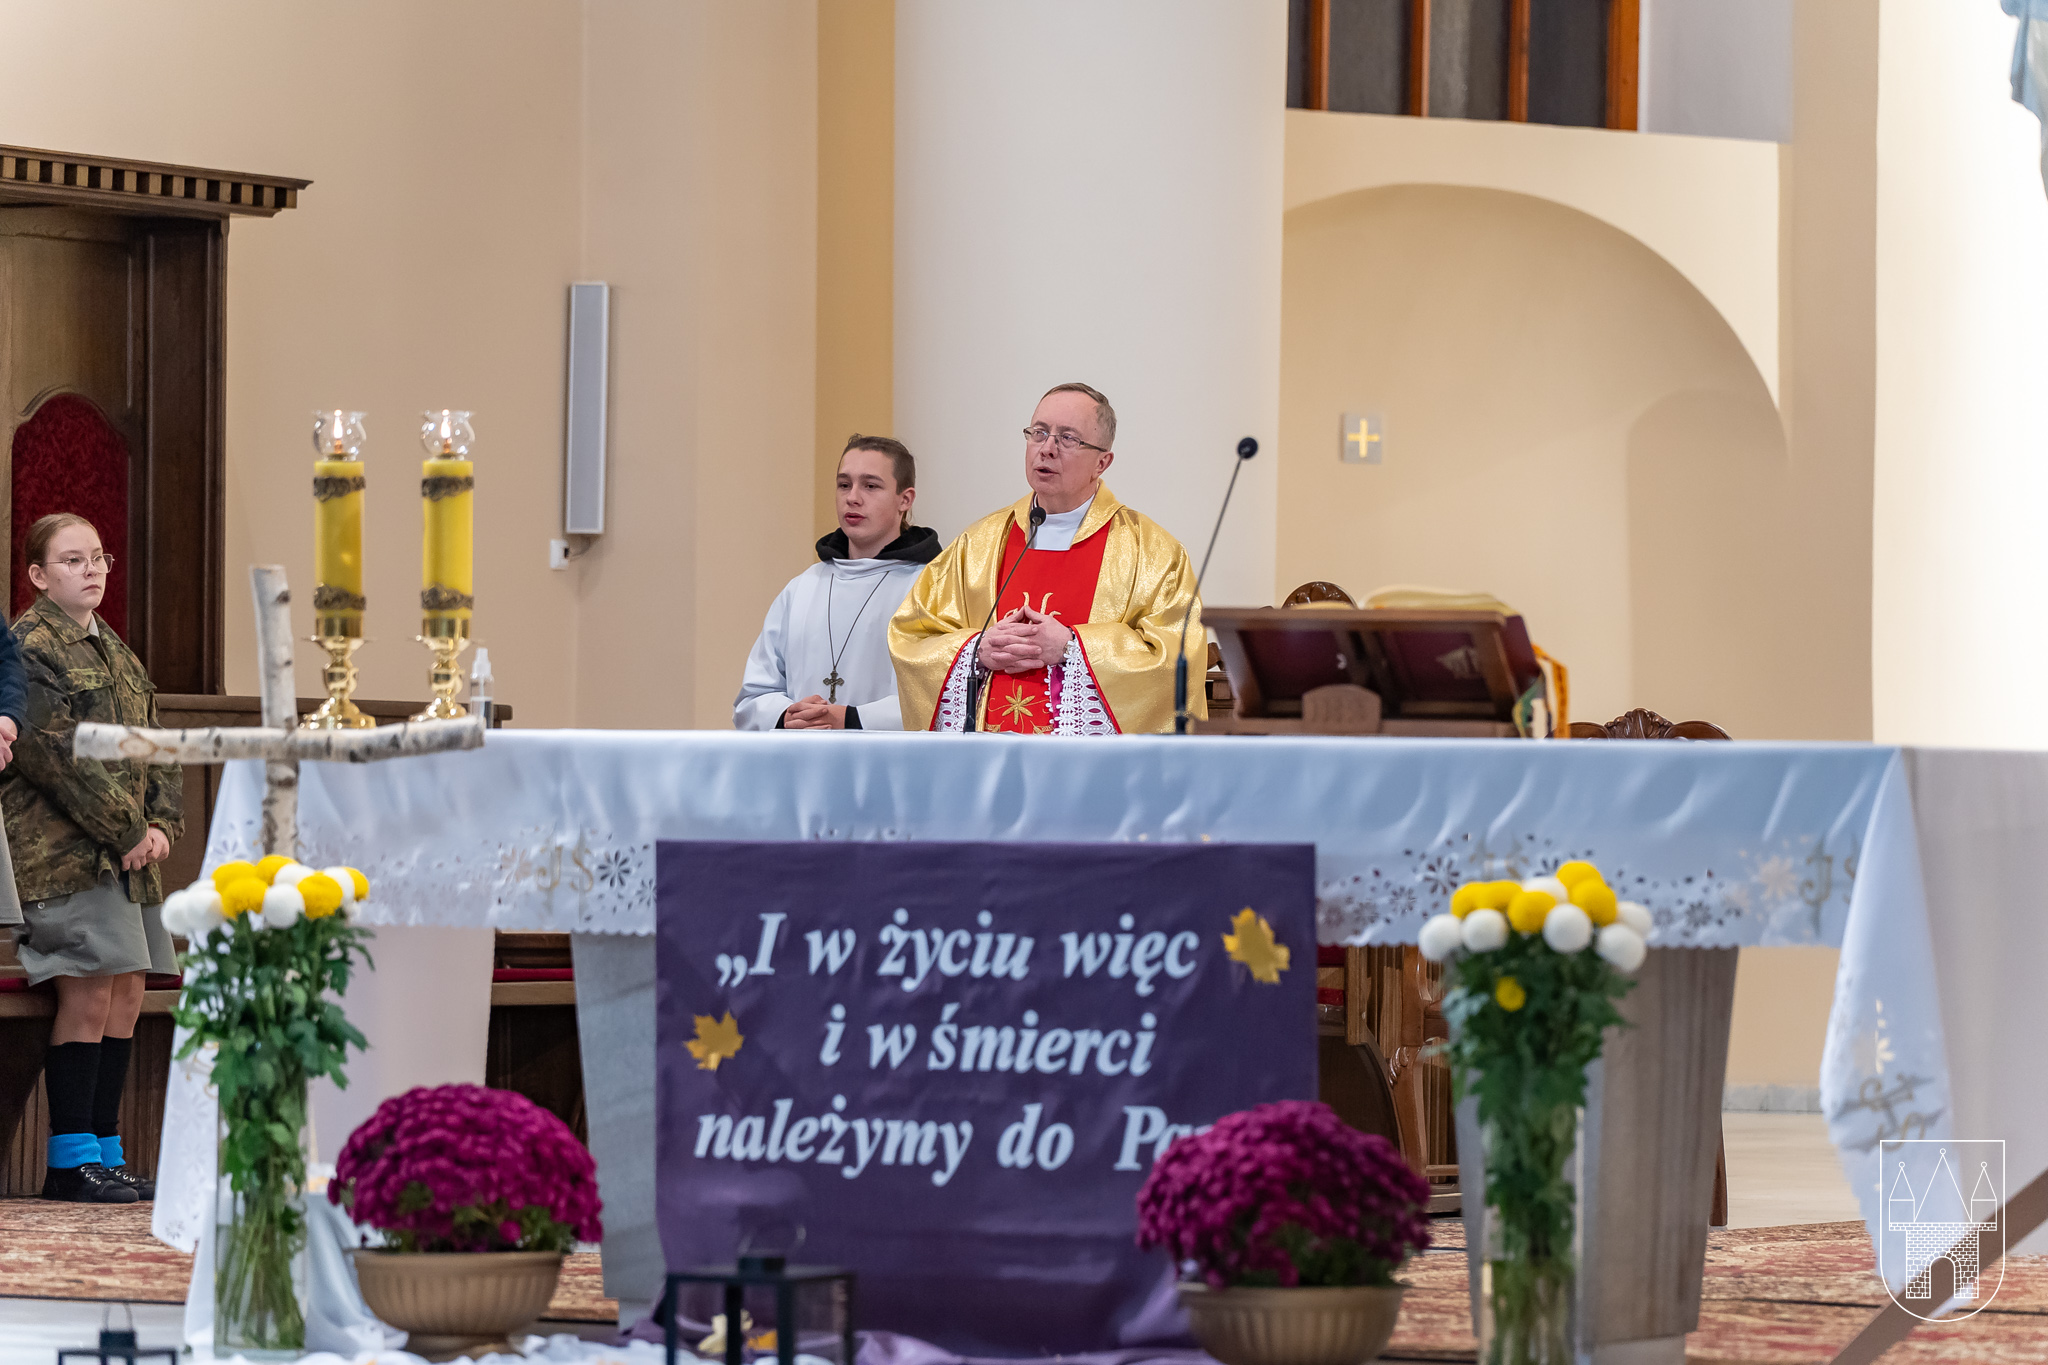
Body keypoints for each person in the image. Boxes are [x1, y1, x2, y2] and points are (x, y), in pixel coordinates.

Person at [4, 513, 181, 1203]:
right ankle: (70, 1159)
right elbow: (56, 757)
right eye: (73, 559)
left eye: (99, 557)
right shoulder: (32, 646)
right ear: (38, 574)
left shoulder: (116, 650)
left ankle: (105, 1149)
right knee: (89, 988)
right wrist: (129, 827)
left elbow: (155, 741)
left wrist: (161, 822)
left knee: (128, 991)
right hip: (65, 854)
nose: (92, 570)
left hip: (129, 855)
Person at [889, 382, 1200, 734]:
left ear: (1102, 462)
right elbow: (912, 637)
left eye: (1068, 438)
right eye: (1038, 433)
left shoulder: (1153, 553)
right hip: (988, 759)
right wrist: (976, 650)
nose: (1047, 449)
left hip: (1086, 764)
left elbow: (1175, 661)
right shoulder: (977, 544)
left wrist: (1072, 647)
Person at [735, 435, 940, 731]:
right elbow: (753, 697)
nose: (852, 497)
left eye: (870, 486)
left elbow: (940, 696)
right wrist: (786, 716)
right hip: (802, 756)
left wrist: (851, 719)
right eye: (844, 484)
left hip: (886, 758)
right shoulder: (802, 588)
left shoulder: (931, 589)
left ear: (905, 499)